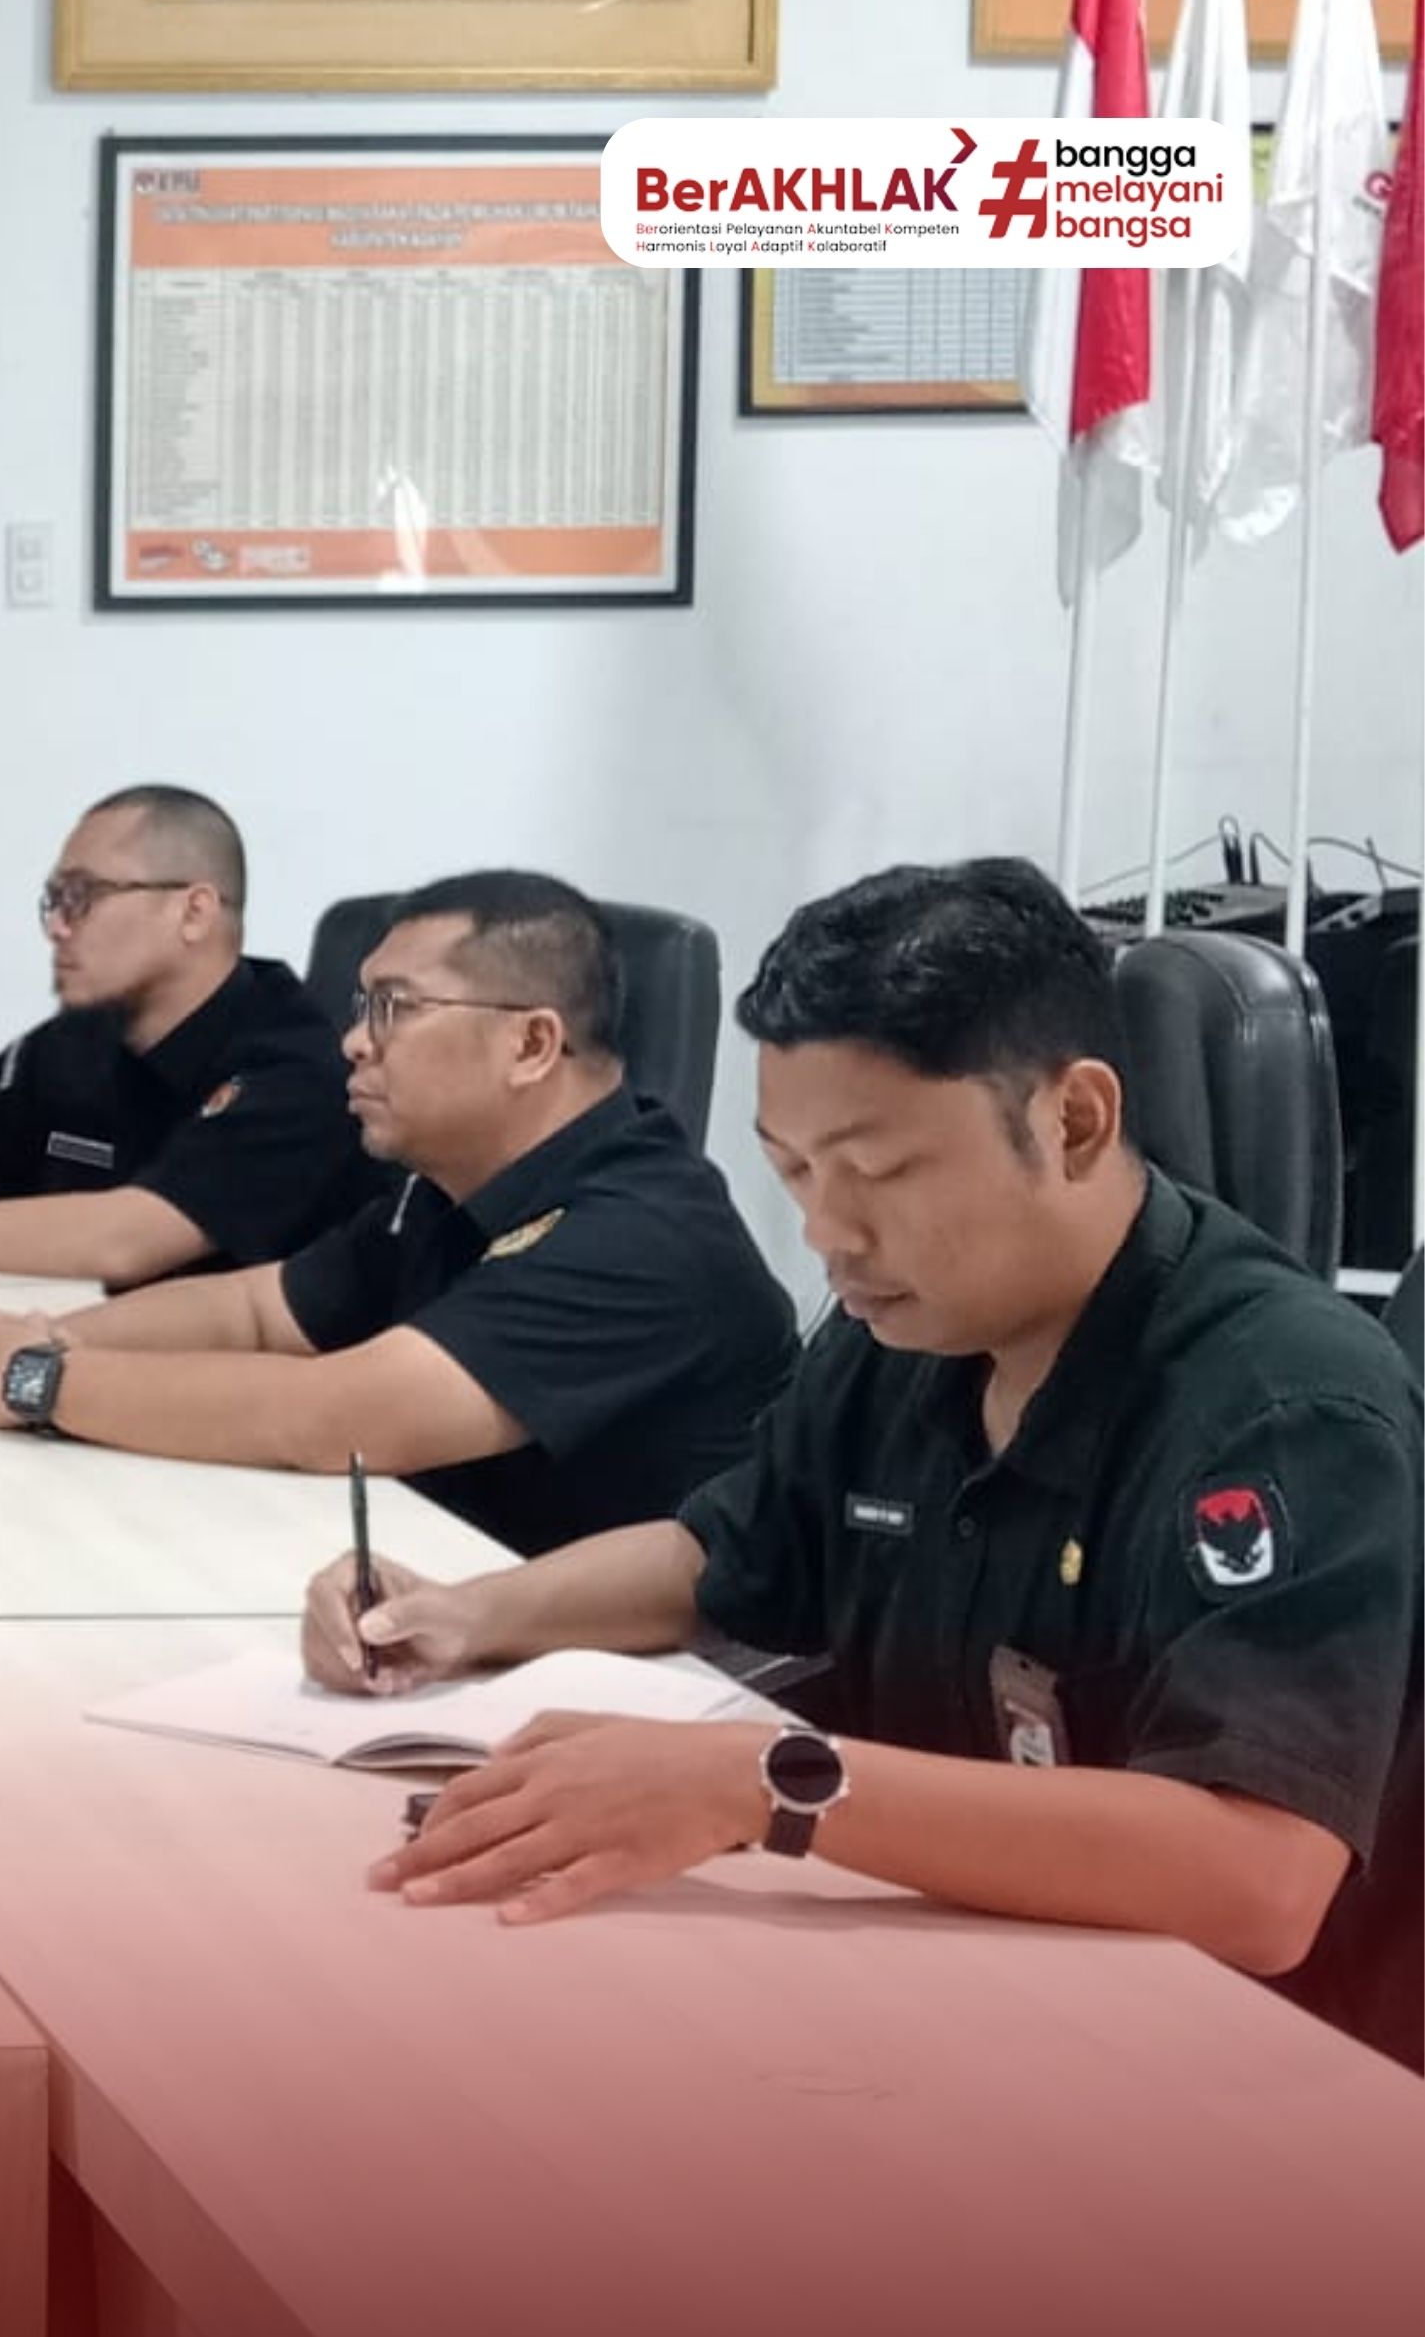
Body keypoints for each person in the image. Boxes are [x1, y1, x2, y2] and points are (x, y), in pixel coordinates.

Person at [323, 861, 1419, 2071]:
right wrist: (464, 1613)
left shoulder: (1281, 1406)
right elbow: (724, 1549)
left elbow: (1258, 1874)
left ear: (1072, 1121)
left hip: (1229, 2068)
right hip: (945, 1995)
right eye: (793, 1170)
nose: (826, 1233)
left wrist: (770, 1783)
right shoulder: (904, 1325)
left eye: (880, 1171)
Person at [0, 870, 796, 1558]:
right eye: (360, 1006)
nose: (353, 1040)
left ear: (531, 1043)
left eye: (394, 1008)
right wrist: (52, 1335)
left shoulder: (637, 1231)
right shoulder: (446, 1184)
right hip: (438, 1591)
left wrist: (36, 1380)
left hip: (627, 1671)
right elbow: (255, 1310)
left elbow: (331, 1418)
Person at [0, 785, 367, 1283]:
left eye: (84, 897)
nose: (56, 926)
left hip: (245, 1379)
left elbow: (125, 1241)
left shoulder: (296, 1068)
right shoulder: (82, 1037)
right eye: (53, 899)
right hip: (74, 1337)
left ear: (194, 912)